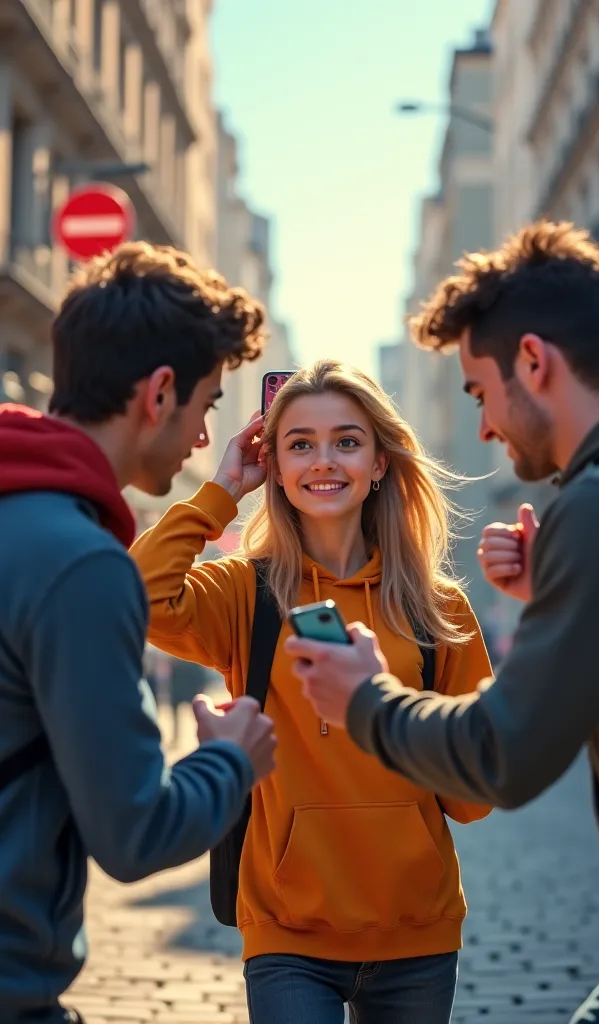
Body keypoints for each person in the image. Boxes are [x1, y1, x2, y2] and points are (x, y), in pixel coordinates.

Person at [286, 223, 599, 1023]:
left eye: (479, 393)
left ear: (533, 363)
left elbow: (502, 756)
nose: (483, 429)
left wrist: (366, 698)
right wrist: (563, 600)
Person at [130, 359, 493, 1024]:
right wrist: (220, 492)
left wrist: (402, 721)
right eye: (300, 443)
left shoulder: (439, 610)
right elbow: (141, 598)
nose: (324, 460)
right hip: (286, 932)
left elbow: (472, 797)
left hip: (417, 930)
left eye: (347, 441)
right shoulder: (246, 593)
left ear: (381, 462)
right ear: (274, 462)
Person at [0, 242, 277, 1024]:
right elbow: (135, 833)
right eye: (208, 404)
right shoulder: (80, 564)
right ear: (160, 393)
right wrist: (231, 759)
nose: (201, 435)